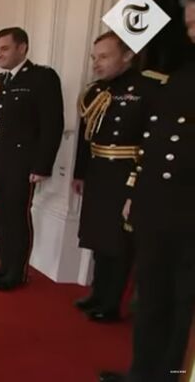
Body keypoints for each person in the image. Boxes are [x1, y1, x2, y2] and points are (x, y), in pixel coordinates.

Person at [100, 0, 195, 382]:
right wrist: (136, 195)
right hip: (157, 210)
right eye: (188, 25)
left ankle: (171, 375)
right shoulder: (181, 77)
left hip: (189, 216)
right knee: (151, 299)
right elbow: (154, 145)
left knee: (182, 309)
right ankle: (142, 373)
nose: (191, 33)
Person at [71, 31, 159, 323]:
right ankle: (98, 293)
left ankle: (111, 304)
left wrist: (138, 187)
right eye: (94, 57)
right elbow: (86, 137)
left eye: (104, 56)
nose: (96, 63)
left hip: (126, 174)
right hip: (99, 173)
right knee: (100, 239)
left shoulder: (148, 89)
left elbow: (153, 144)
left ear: (128, 55)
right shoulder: (96, 91)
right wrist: (80, 173)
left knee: (119, 244)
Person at [0, 27, 65, 291]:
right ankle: (4, 265)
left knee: (18, 219)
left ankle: (17, 272)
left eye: (5, 49)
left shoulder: (42, 78)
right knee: (3, 217)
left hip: (22, 164)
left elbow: (52, 125)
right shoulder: (1, 81)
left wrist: (42, 165)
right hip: (0, 162)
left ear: (22, 48)